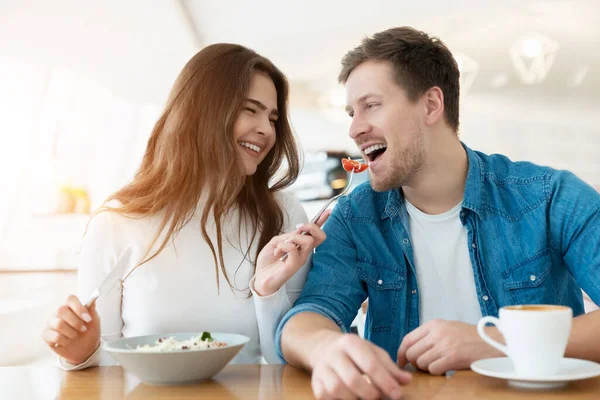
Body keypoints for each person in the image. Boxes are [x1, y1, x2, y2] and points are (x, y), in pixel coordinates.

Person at [276, 26, 600, 400]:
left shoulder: (550, 198)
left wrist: (495, 342)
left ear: (431, 104)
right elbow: (304, 319)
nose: (354, 128)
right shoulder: (355, 216)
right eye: (352, 112)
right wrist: (326, 348)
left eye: (372, 105)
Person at [42, 43, 328, 369]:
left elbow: (286, 363)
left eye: (272, 117)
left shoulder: (284, 215)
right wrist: (82, 352)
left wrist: (266, 292)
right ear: (202, 111)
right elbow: (107, 365)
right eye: (250, 109)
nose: (266, 129)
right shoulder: (117, 222)